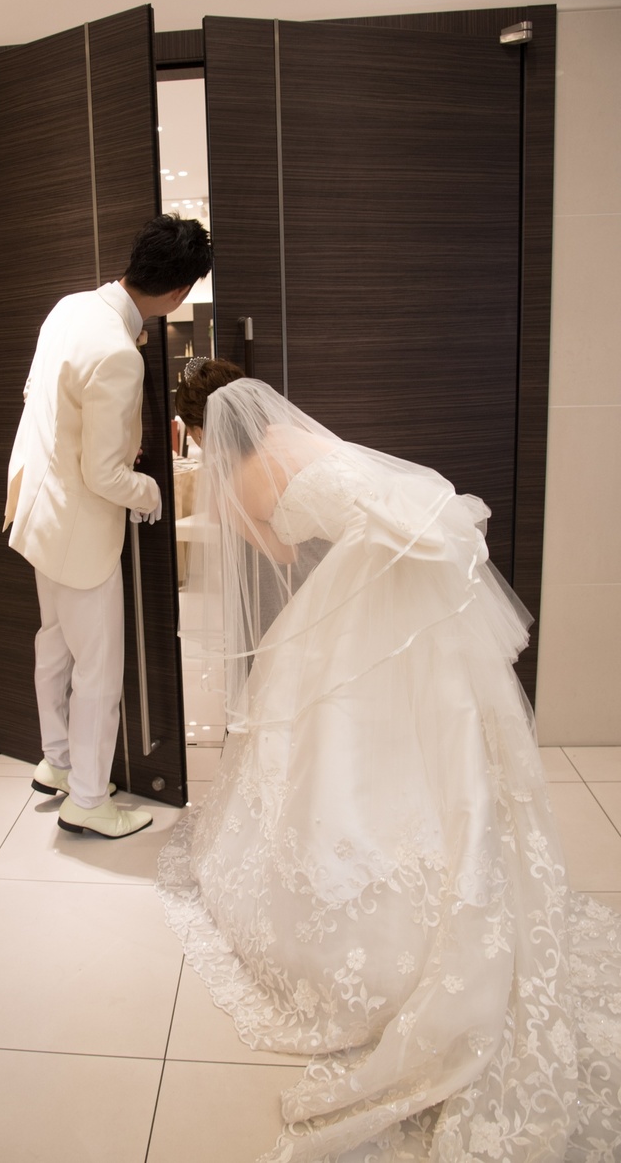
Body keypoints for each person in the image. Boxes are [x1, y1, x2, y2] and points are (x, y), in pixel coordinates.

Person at [158, 358, 621, 1160]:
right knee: (439, 732)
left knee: (332, 726)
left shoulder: (243, 480)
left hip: (373, 578)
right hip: (414, 564)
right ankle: (463, 858)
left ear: (205, 429)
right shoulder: (303, 439)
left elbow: (272, 553)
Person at [3, 215, 212, 839]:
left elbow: (33, 393)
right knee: (98, 665)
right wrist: (152, 491)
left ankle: (58, 763)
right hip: (79, 531)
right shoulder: (119, 353)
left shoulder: (68, 308)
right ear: (178, 294)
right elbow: (104, 476)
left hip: (36, 512)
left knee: (53, 642)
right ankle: (90, 801)